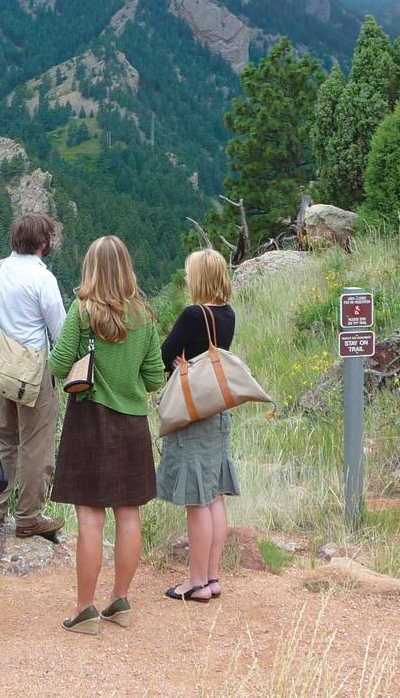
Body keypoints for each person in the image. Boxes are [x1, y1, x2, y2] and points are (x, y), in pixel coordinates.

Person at [48, 236, 163, 634]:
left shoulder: (82, 312)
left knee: (90, 520)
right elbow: (154, 378)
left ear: (91, 269)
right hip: (132, 424)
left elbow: (59, 363)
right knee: (128, 515)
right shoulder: (146, 317)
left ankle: (85, 610)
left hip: (89, 422)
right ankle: (120, 601)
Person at [157, 248, 240, 602]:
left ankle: (195, 582)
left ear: (199, 278)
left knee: (197, 500)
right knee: (215, 496)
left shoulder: (194, 314)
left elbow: (166, 353)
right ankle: (212, 576)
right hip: (217, 412)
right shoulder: (228, 314)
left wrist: (178, 363)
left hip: (193, 416)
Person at [0, 212, 67, 541]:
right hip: (33, 372)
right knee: (36, 445)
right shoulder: (43, 279)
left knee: (4, 441)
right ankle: (29, 516)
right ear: (43, 242)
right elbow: (60, 331)